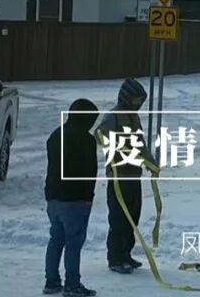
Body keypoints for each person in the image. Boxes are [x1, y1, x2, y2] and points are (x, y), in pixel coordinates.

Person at [96, 78, 158, 274]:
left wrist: (151, 163)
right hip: (118, 177)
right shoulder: (113, 116)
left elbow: (140, 145)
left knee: (133, 216)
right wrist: (113, 142)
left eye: (141, 101)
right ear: (126, 98)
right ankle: (115, 258)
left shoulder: (133, 118)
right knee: (119, 218)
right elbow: (99, 134)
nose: (139, 104)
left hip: (133, 175)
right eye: (136, 100)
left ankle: (126, 254)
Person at [44, 98, 100, 297]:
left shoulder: (55, 135)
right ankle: (72, 284)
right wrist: (88, 196)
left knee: (56, 239)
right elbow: (90, 171)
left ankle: (51, 281)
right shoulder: (86, 140)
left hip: (53, 197)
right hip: (76, 199)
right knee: (74, 243)